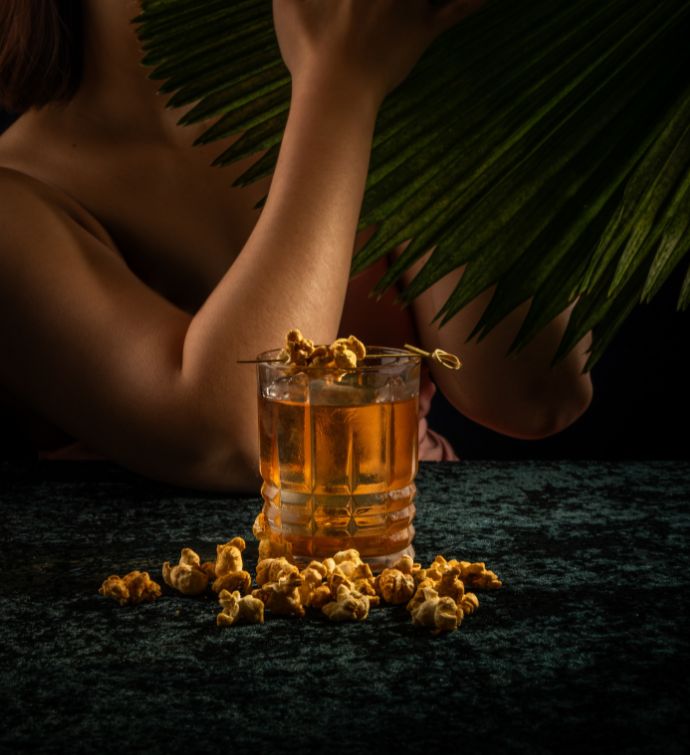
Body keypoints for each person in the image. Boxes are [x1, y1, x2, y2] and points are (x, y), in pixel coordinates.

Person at [0, 0, 592, 491]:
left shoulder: (360, 60)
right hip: (170, 617)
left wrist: (430, 61)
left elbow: (535, 392)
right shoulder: (20, 195)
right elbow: (239, 440)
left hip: (422, 596)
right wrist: (341, 87)